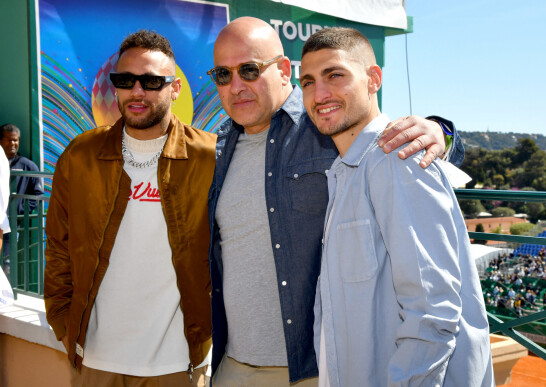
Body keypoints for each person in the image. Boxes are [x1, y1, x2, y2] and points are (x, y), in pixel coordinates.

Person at [207, 17, 465, 386]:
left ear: (283, 70)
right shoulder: (215, 147)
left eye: (249, 70)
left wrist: (441, 132)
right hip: (233, 365)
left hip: (318, 368)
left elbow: (405, 157)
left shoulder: (328, 124)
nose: (236, 86)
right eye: (222, 74)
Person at [299, 27, 493, 386]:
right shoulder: (345, 170)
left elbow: (433, 313)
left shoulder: (397, 158)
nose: (319, 93)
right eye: (308, 82)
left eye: (335, 75)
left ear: (373, 79)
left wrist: (443, 131)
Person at [44, 30, 216, 386]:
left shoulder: (209, 157)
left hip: (178, 362)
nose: (137, 91)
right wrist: (62, 322)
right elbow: (59, 245)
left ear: (175, 88)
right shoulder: (81, 155)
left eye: (152, 81)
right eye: (126, 80)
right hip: (96, 359)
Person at [0, 123, 44, 264]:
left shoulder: (28, 166)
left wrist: (17, 210)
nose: (13, 143)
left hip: (11, 225)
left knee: (7, 264)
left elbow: (36, 195)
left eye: (16, 140)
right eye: (9, 139)